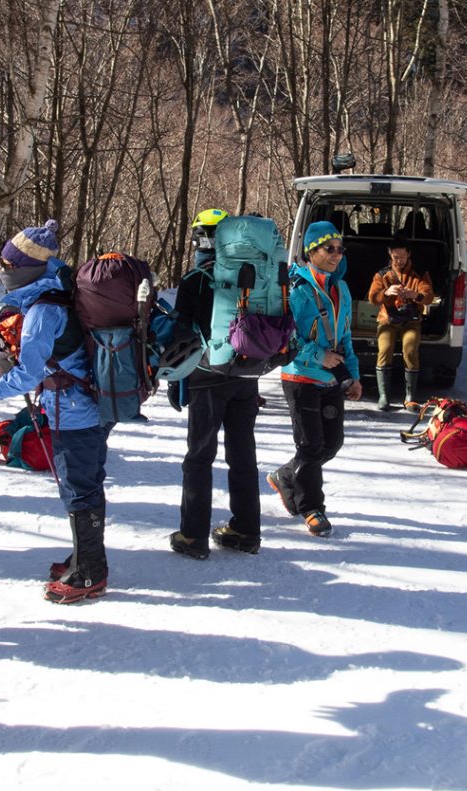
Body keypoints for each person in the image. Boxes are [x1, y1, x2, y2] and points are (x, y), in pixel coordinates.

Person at [0, 219, 110, 604]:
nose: (3, 272)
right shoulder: (60, 290)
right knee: (87, 483)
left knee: (79, 488)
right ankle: (85, 556)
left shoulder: (44, 310)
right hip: (89, 405)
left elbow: (28, 372)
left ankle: (90, 573)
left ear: (26, 269)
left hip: (74, 411)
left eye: (8, 266)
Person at [169, 208, 262, 559]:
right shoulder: (254, 273)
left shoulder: (196, 278)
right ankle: (246, 530)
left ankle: (193, 536)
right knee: (243, 455)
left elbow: (181, 335)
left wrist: (174, 379)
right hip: (247, 375)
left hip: (207, 376)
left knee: (199, 457)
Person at [267, 221, 362, 537]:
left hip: (331, 380)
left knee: (331, 443)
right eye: (329, 248)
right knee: (310, 445)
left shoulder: (341, 288)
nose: (336, 254)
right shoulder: (296, 287)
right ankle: (311, 507)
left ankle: (286, 474)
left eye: (339, 249)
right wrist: (319, 356)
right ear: (311, 251)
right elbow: (288, 334)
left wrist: (353, 376)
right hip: (301, 376)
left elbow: (345, 335)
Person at [367, 238, 434, 411]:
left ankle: (410, 397)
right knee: (385, 348)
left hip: (411, 321)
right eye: (396, 257)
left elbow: (428, 296)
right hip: (387, 320)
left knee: (410, 350)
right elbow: (372, 298)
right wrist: (386, 292)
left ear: (408, 254)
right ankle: (384, 396)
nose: (399, 260)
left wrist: (415, 295)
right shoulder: (382, 275)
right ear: (390, 254)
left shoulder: (419, 273)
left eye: (402, 256)